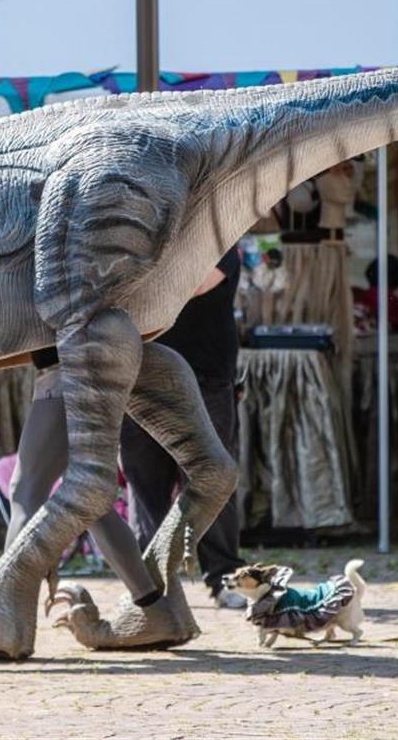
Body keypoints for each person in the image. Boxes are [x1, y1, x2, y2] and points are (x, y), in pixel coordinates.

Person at [120, 247, 247, 608]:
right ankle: (152, 585)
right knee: (144, 482)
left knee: (211, 479)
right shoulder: (137, 236)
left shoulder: (221, 237)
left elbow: (194, 284)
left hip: (204, 376)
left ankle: (225, 577)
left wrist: (134, 275)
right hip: (139, 373)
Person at [4, 347, 162, 608]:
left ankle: (3, 609)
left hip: (66, 376)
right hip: (97, 373)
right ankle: (153, 606)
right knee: (89, 496)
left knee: (26, 491)